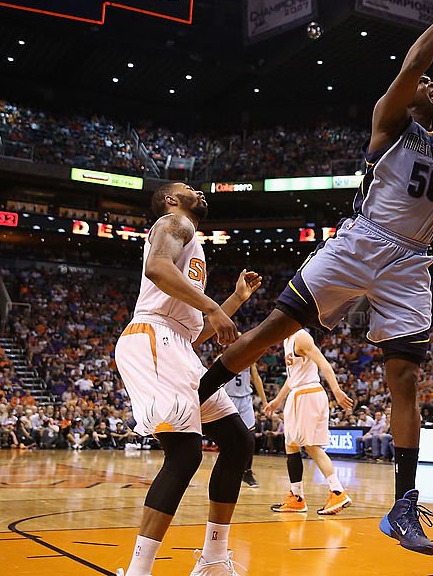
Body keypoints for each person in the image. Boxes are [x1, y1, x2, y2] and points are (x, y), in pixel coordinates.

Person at [195, 0, 433, 555]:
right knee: (274, 331)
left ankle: (402, 506)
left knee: (406, 379)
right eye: (429, 86)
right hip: (360, 242)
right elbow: (413, 68)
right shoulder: (391, 117)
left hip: (410, 262)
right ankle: (196, 392)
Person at [114, 182, 262, 576]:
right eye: (189, 188)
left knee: (237, 441)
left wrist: (234, 301)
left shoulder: (190, 239)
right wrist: (215, 307)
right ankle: (139, 571)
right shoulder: (174, 221)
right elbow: (156, 268)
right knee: (184, 453)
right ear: (171, 199)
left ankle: (213, 558)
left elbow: (193, 333)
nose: (199, 192)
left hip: (177, 344)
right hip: (151, 338)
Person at [266, 329, 354, 515]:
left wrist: (337, 391)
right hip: (301, 393)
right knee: (292, 445)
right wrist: (277, 401)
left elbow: (322, 362)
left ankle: (337, 491)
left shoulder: (301, 337)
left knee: (311, 446)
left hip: (307, 393)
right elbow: (292, 378)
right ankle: (297, 497)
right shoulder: (287, 340)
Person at [224, 364, 268, 488]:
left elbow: (256, 377)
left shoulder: (250, 357)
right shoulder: (224, 356)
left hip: (245, 399)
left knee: (250, 438)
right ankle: (228, 471)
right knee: (229, 439)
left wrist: (264, 401)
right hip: (228, 398)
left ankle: (247, 472)